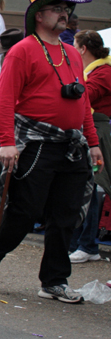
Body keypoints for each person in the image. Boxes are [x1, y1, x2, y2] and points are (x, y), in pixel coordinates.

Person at [0, 0, 99, 304]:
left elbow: (83, 102)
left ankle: (54, 280)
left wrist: (93, 142)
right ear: (39, 15)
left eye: (66, 8)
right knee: (24, 210)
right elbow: (3, 99)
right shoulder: (22, 51)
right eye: (56, 8)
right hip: (36, 143)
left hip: (71, 146)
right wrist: (6, 141)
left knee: (67, 214)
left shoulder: (73, 53)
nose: (64, 13)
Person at [69, 30, 111, 263]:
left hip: (98, 132)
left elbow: (85, 96)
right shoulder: (91, 71)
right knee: (82, 188)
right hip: (86, 130)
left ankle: (88, 245)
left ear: (83, 48)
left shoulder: (104, 72)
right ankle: (79, 243)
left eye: (74, 45)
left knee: (93, 188)